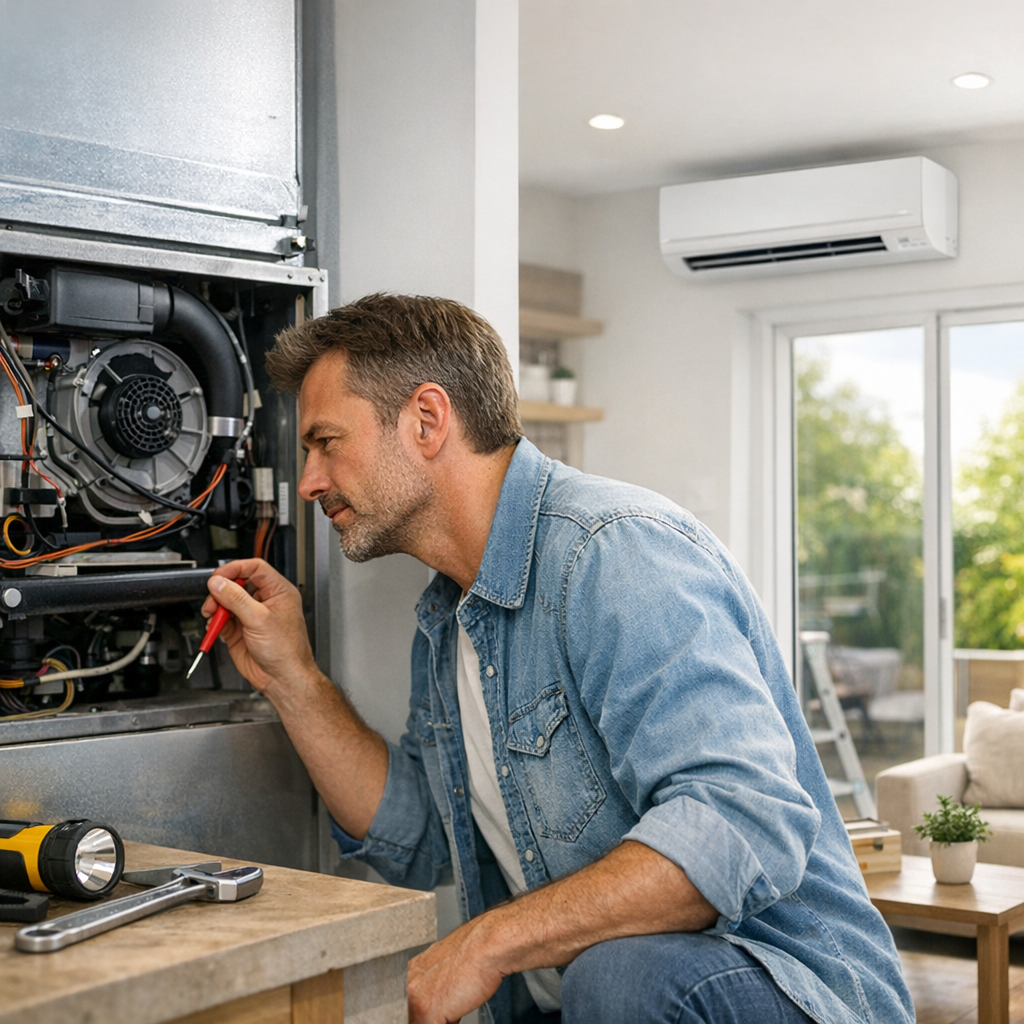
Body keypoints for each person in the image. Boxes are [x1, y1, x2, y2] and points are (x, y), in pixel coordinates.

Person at [202, 294, 914, 1024]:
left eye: (326, 442)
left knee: (623, 973)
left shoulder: (614, 553)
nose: (310, 480)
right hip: (573, 1006)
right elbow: (419, 842)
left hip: (795, 991)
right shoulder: (447, 617)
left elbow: (739, 821)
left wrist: (486, 944)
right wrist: (293, 678)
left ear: (426, 419)